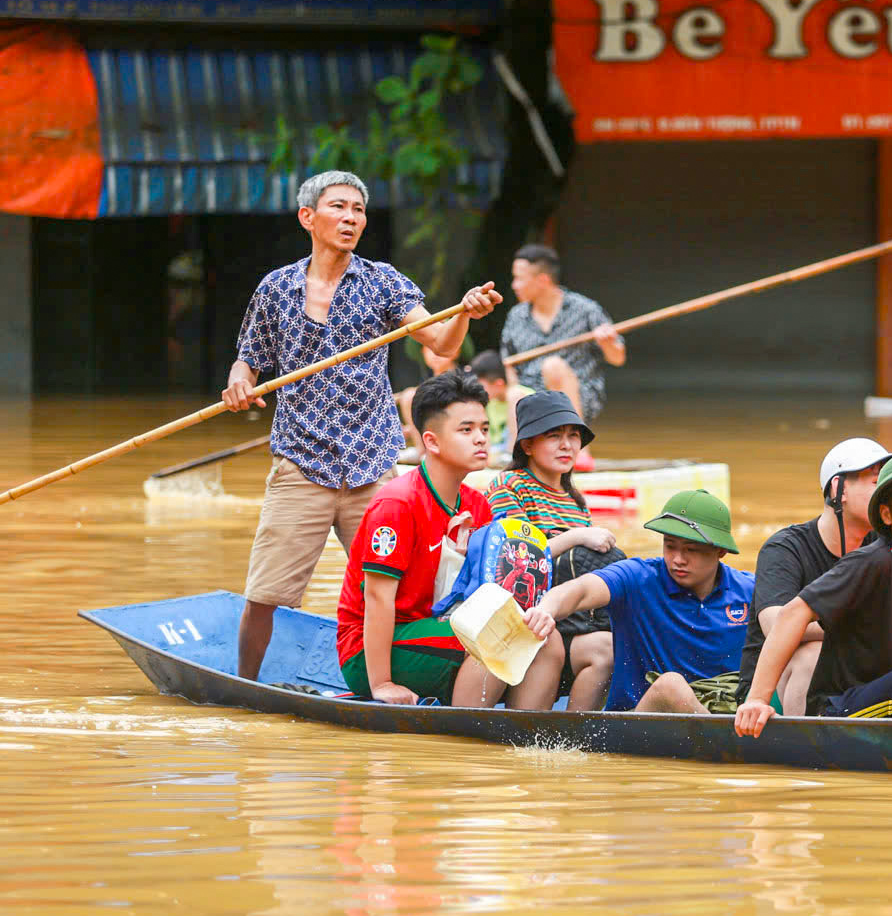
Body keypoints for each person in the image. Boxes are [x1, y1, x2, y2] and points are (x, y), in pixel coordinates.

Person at [223, 169, 502, 682]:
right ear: (308, 217)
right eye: (339, 207)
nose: (351, 218)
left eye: (358, 209)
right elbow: (249, 361)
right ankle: (242, 686)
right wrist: (239, 383)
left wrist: (465, 312)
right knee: (265, 597)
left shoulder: (382, 282)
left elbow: (441, 343)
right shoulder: (276, 288)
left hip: (371, 466)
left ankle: (408, 678)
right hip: (300, 464)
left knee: (404, 592)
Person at [336, 370, 563, 708]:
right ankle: (466, 735)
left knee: (548, 639)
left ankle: (524, 741)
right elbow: (378, 598)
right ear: (431, 441)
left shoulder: (477, 504)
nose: (481, 439)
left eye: (485, 429)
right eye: (466, 430)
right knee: (497, 636)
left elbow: (486, 592)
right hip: (371, 650)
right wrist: (382, 683)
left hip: (438, 626)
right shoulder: (397, 504)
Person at [735, 452, 892, 734]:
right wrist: (757, 700)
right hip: (839, 708)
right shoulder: (872, 562)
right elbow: (791, 614)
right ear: (887, 514)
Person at [525, 491, 753, 713]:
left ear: (720, 551)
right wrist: (546, 609)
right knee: (670, 686)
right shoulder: (638, 577)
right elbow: (580, 590)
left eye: (691, 550)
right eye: (670, 546)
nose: (677, 560)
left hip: (728, 711)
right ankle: (728, 746)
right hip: (644, 719)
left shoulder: (749, 589)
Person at [484, 391, 621, 712]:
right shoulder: (509, 485)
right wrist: (578, 536)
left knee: (610, 650)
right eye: (554, 436)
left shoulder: (575, 500)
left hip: (569, 619)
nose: (567, 445)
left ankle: (572, 741)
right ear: (528, 445)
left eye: (574, 436)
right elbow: (517, 558)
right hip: (521, 619)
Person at [735, 437, 892, 715]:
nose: (887, 495)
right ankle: (804, 749)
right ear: (838, 489)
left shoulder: (886, 548)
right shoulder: (784, 549)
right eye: (875, 482)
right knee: (812, 653)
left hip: (852, 679)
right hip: (771, 691)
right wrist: (862, 631)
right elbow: (776, 626)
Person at [499, 243, 625, 424]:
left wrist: (607, 342)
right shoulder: (516, 316)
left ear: (542, 280)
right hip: (531, 394)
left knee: (553, 366)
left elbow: (618, 358)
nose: (514, 285)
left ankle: (579, 444)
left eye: (519, 279)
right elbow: (509, 364)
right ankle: (516, 452)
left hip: (579, 396)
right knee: (514, 393)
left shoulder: (585, 309)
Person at [469, 348, 536, 458]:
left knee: (514, 395)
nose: (478, 390)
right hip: (496, 451)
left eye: (481, 387)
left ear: (498, 384)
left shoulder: (522, 395)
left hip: (522, 450)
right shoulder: (489, 403)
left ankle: (512, 456)